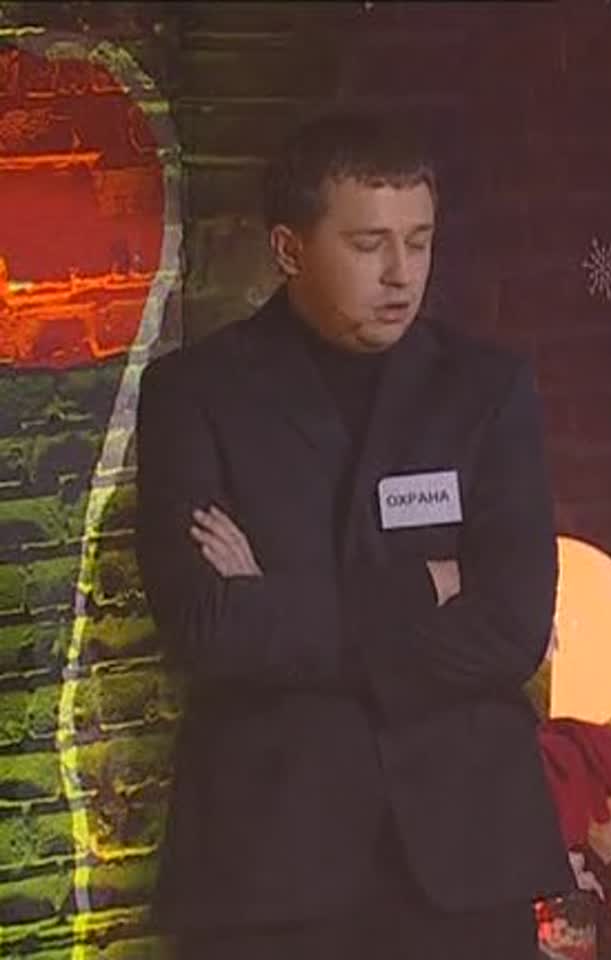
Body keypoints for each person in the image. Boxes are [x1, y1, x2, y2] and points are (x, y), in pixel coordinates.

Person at [135, 111, 571, 959]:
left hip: (462, 852)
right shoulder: (197, 394)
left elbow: (515, 626)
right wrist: (421, 588)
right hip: (269, 860)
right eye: (369, 244)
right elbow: (208, 627)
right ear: (289, 249)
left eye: (420, 241)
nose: (401, 273)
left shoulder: (486, 389)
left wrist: (278, 598)